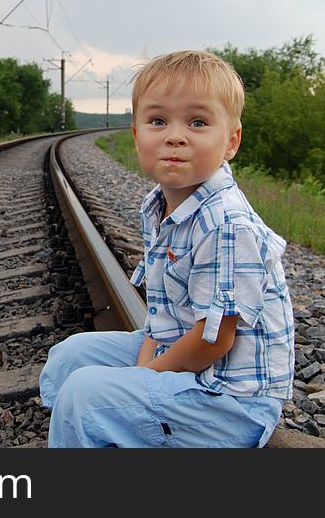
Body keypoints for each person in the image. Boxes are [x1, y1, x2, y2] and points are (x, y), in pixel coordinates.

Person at [39, 50, 295, 448]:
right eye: (158, 121)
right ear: (138, 135)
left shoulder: (226, 225)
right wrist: (146, 360)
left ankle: (90, 425)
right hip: (188, 361)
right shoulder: (161, 204)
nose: (175, 135)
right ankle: (85, 434)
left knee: (86, 394)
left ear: (231, 141)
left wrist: (146, 375)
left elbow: (214, 340)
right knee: (70, 357)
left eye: (197, 122)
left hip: (230, 403)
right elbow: (160, 315)